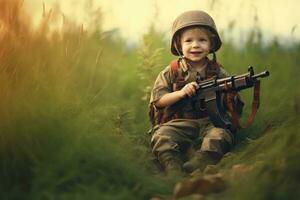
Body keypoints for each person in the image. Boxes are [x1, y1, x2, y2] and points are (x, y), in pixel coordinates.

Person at [149, 10, 243, 174]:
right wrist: (181, 93)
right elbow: (158, 100)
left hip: (212, 122)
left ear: (211, 44)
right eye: (189, 41)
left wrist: (231, 95)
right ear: (179, 45)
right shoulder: (171, 72)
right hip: (180, 123)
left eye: (202, 40)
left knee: (221, 135)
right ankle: (172, 166)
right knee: (162, 136)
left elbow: (235, 106)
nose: (195, 45)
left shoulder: (218, 71)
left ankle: (201, 161)